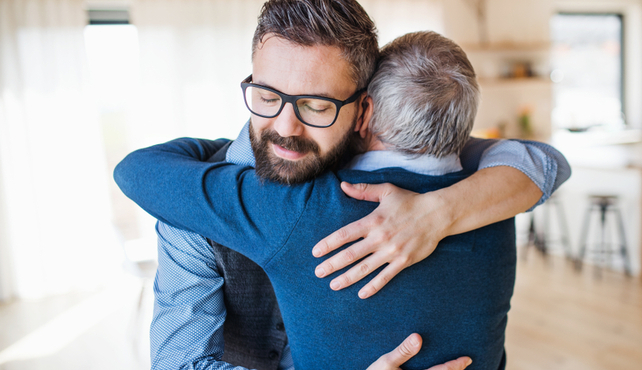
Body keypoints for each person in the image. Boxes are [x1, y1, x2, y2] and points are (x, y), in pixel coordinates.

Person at [120, 1, 569, 369]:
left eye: (316, 105)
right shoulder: (193, 197)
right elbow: (181, 365)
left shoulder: (429, 174)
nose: (285, 128)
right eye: (267, 96)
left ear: (362, 110)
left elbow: (540, 160)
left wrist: (440, 212)